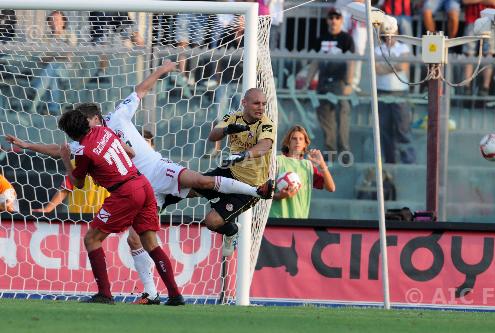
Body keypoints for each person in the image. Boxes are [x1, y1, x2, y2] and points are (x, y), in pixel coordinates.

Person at [6, 60, 273, 305]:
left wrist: (161, 70)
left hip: (153, 173)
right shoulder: (90, 139)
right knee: (138, 240)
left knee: (199, 182)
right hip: (142, 186)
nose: (85, 127)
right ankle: (156, 293)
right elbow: (65, 148)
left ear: (96, 118)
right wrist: (29, 145)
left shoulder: (115, 119)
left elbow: (140, 91)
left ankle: (254, 192)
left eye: (86, 122)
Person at [57, 109, 181, 305]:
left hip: (125, 193)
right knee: (150, 243)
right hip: (143, 183)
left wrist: (65, 158)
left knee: (92, 239)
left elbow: (78, 183)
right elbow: (130, 152)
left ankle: (104, 294)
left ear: (71, 134)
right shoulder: (103, 131)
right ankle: (175, 296)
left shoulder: (84, 151)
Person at [183, 88, 275, 256]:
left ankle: (231, 231)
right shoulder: (233, 117)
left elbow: (265, 146)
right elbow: (212, 136)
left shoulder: (266, 124)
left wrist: (242, 156)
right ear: (244, 103)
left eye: (263, 104)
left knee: (211, 222)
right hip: (228, 172)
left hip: (249, 187)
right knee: (186, 189)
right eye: (256, 103)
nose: (261, 108)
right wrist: (226, 130)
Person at [305, 8, 355, 155]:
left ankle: (343, 150)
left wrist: (349, 83)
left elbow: (352, 62)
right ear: (327, 20)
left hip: (339, 82)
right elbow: (315, 62)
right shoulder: (321, 39)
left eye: (337, 17)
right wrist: (308, 82)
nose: (334, 20)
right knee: (325, 118)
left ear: (341, 20)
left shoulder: (346, 39)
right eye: (331, 17)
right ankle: (330, 151)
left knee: (342, 114)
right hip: (323, 83)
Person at [269, 125, 335, 219]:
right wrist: (279, 196)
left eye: (301, 139)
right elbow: (260, 193)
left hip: (299, 221)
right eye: (294, 139)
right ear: (288, 142)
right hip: (276, 219)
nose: (298, 142)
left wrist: (322, 164)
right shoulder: (276, 162)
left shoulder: (308, 167)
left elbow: (331, 188)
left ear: (305, 144)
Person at [375, 33, 415, 164]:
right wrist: (394, 65)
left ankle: (408, 161)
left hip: (400, 93)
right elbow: (376, 69)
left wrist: (385, 65)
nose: (389, 36)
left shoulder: (403, 48)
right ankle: (390, 162)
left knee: (402, 129)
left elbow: (403, 66)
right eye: (386, 33)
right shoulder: (377, 49)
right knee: (385, 130)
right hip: (382, 92)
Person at [31, 10, 77, 114]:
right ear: (49, 23)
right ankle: (53, 109)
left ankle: (36, 89)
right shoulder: (46, 37)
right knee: (53, 77)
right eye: (52, 20)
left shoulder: (70, 35)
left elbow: (68, 56)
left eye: (57, 19)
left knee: (52, 66)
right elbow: (41, 58)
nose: (54, 22)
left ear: (63, 22)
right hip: (51, 72)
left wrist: (52, 56)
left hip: (67, 70)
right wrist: (57, 56)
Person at [462, 0, 495, 99]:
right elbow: (465, 1)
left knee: (488, 54)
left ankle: (485, 89)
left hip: (489, 20)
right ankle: (466, 88)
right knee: (469, 53)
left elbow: (494, 2)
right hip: (471, 19)